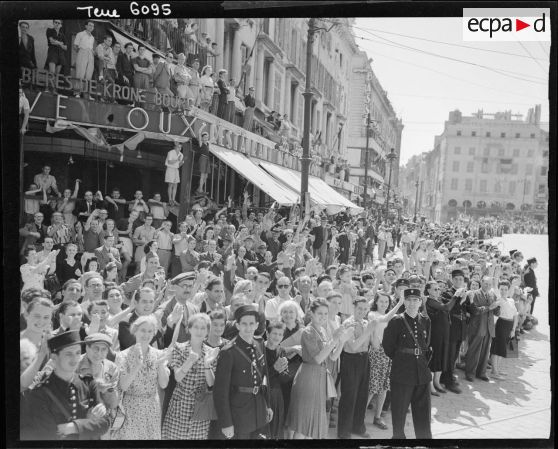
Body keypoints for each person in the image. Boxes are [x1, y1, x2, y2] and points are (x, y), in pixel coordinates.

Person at [20, 330, 111, 440]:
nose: (75, 359)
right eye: (69, 354)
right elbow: (48, 434)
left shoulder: (89, 383)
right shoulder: (40, 392)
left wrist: (73, 427)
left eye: (78, 353)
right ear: (54, 357)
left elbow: (105, 423)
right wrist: (88, 421)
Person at [287, 299, 352, 439]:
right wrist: (334, 339)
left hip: (320, 377)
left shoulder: (322, 330)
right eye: (320, 313)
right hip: (308, 377)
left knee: (312, 423)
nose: (323, 316)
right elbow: (318, 359)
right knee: (303, 423)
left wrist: (342, 341)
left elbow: (333, 357)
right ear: (311, 313)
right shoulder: (307, 332)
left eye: (325, 313)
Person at [213, 304, 273, 439]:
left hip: (259, 409)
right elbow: (220, 392)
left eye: (252, 323)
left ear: (257, 325)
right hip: (239, 413)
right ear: (237, 325)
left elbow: (265, 378)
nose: (248, 327)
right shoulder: (229, 352)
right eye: (244, 324)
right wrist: (226, 423)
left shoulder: (259, 343)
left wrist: (267, 405)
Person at [382, 288, 432, 439]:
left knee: (423, 411)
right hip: (402, 372)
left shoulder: (425, 320)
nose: (412, 303)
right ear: (404, 301)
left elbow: (427, 344)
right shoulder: (396, 320)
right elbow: (388, 346)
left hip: (422, 372)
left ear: (420, 302)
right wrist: (402, 358)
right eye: (409, 299)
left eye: (415, 300)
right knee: (399, 410)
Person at [162, 313, 219, 439]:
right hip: (180, 404)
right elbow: (177, 377)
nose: (199, 331)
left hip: (201, 406)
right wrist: (190, 361)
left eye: (203, 328)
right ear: (189, 329)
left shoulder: (212, 352)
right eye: (196, 327)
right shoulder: (179, 348)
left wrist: (207, 364)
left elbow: (211, 384)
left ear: (208, 331)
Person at [114, 315, 169, 440]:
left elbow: (164, 384)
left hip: (152, 407)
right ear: (135, 330)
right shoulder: (123, 355)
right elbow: (123, 386)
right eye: (143, 330)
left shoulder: (159, 354)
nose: (146, 334)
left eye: (150, 331)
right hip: (131, 407)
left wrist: (161, 365)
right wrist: (137, 366)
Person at [367, 291, 405, 429]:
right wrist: (400, 303)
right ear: (376, 302)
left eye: (386, 302)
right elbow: (384, 319)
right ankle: (358, 417)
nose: (384, 304)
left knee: (384, 388)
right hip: (377, 354)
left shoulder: (393, 316)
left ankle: (377, 417)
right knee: (372, 388)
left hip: (389, 354)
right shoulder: (372, 314)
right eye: (381, 301)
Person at [337, 297, 373, 439]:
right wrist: (368, 331)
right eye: (359, 308)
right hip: (350, 360)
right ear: (354, 308)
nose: (362, 311)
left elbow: (372, 344)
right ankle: (343, 431)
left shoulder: (366, 322)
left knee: (362, 395)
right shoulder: (348, 323)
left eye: (365, 309)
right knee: (349, 396)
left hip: (364, 359)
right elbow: (353, 346)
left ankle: (358, 427)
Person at [464, 276, 500, 382]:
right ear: (481, 283)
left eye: (489, 284)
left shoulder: (492, 294)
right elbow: (474, 311)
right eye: (486, 284)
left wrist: (498, 307)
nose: (488, 286)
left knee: (485, 351)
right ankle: (470, 373)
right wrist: (490, 307)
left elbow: (496, 312)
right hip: (476, 326)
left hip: (488, 327)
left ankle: (481, 372)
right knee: (473, 351)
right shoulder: (474, 294)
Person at [490, 281, 518, 379]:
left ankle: (497, 369)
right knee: (497, 348)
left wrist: (513, 329)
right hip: (501, 324)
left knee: (503, 349)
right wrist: (496, 302)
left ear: (508, 290)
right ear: (499, 289)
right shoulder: (499, 300)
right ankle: (494, 372)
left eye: (505, 289)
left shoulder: (511, 300)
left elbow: (515, 315)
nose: (503, 291)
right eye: (501, 289)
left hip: (509, 326)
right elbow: (491, 307)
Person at [74, 21, 95, 88]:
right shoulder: (80, 34)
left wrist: (92, 53)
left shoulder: (92, 38)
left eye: (92, 26)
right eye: (90, 25)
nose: (91, 27)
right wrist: (81, 53)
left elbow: (91, 47)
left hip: (90, 54)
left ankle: (85, 92)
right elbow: (75, 46)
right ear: (86, 26)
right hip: (82, 52)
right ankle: (77, 92)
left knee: (88, 74)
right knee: (80, 73)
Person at [165, 142, 184, 206]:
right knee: (170, 184)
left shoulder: (181, 154)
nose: (179, 148)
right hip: (170, 168)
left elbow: (178, 165)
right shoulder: (170, 152)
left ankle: (173, 199)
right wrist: (177, 159)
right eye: (178, 147)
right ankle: (170, 199)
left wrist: (182, 163)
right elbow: (169, 162)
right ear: (175, 147)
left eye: (180, 147)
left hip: (176, 169)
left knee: (175, 185)